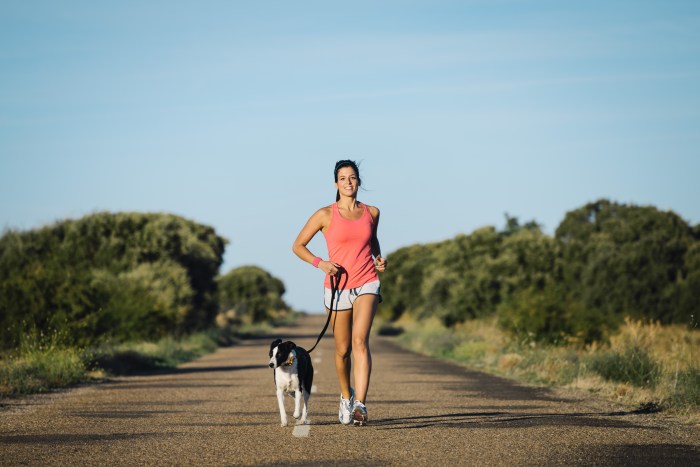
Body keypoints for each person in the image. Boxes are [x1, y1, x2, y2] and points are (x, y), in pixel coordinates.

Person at [292, 160, 387, 426]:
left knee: (360, 342)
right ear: (336, 184)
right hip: (337, 288)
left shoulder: (373, 212)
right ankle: (346, 396)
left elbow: (372, 240)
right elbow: (298, 246)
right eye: (343, 178)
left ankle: (361, 405)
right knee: (342, 349)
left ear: (359, 182)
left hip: (367, 281)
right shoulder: (325, 214)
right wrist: (320, 263)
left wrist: (378, 258)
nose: (348, 182)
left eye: (353, 177)